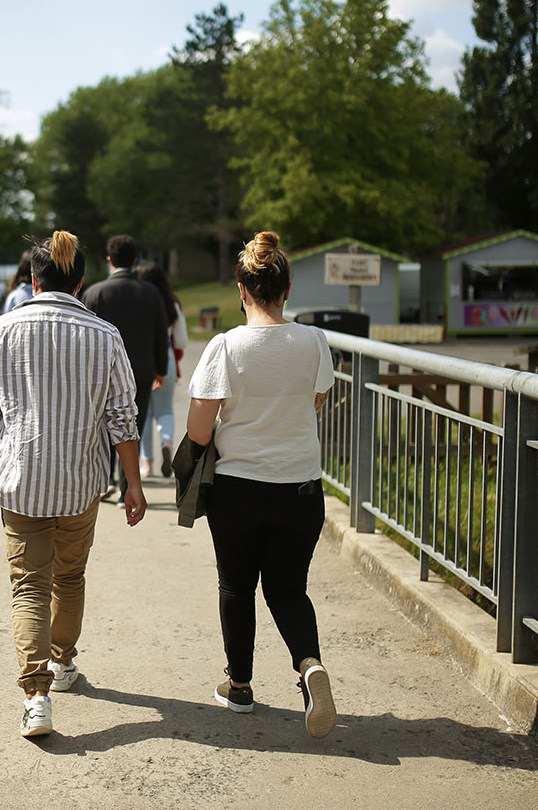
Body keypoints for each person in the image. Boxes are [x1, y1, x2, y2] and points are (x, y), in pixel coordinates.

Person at [0, 230, 146, 739]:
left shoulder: (4, 330)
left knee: (29, 585)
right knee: (69, 578)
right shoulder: (105, 335)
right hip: (81, 483)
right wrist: (133, 484)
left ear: (32, 278)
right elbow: (122, 418)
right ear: (82, 281)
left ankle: (36, 696)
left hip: (21, 481)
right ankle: (64, 665)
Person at [185, 230, 338, 741]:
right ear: (287, 288)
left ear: (242, 290)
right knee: (289, 589)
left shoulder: (225, 347)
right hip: (300, 489)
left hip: (239, 490)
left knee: (236, 586)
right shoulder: (315, 341)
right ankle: (309, 665)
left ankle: (241, 686)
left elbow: (199, 432)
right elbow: (315, 399)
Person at [81, 235, 168, 500]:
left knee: (102, 425)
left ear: (109, 261)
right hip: (140, 370)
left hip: (101, 371)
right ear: (135, 261)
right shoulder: (151, 293)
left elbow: (83, 335)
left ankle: (103, 479)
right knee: (133, 426)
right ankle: (124, 486)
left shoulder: (95, 293)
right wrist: (161, 369)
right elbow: (160, 334)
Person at [135, 262, 187, 478]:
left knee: (144, 415)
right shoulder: (172, 303)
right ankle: (166, 442)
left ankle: (147, 463)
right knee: (165, 411)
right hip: (165, 358)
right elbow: (182, 340)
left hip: (143, 358)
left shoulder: (138, 301)